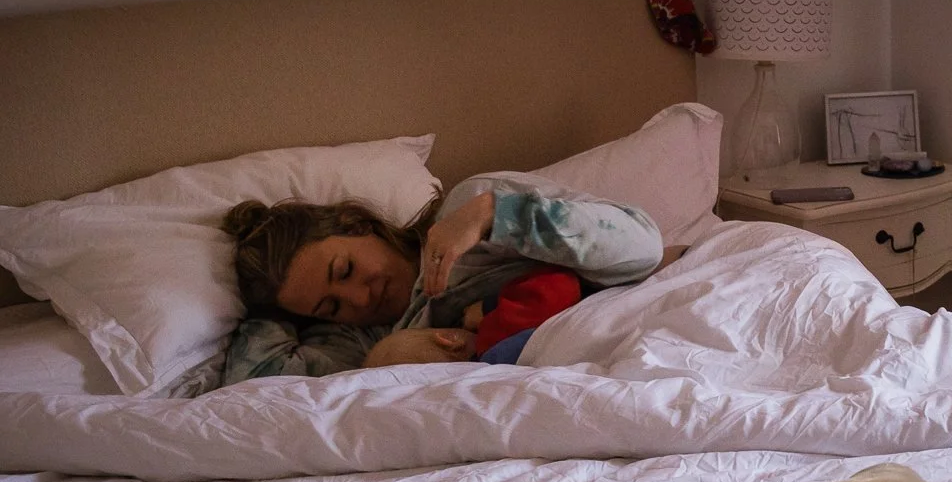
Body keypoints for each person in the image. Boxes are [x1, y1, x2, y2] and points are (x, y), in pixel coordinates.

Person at [219, 174, 669, 384]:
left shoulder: (470, 212)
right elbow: (251, 391)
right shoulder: (362, 345)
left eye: (346, 271)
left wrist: (495, 215)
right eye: (331, 305)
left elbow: (642, 248)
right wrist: (262, 305)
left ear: (357, 224)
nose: (359, 298)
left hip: (635, 340)